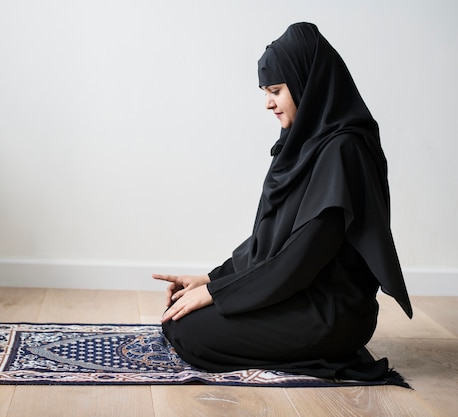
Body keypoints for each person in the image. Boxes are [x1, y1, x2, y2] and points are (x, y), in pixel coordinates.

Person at [152, 22, 412, 381]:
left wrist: (218, 293)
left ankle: (329, 357)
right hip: (297, 296)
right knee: (182, 318)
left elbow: (300, 257)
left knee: (190, 331)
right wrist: (210, 279)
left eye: (275, 90)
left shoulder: (344, 150)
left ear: (307, 82)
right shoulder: (305, 145)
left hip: (328, 313)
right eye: (265, 91)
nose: (268, 103)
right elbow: (269, 240)